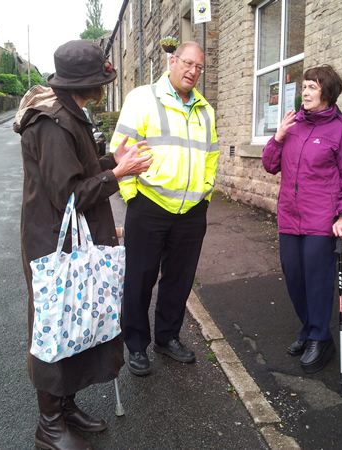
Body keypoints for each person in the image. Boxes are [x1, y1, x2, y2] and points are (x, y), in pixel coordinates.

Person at [14, 40, 152, 449]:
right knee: (55, 327)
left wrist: (112, 160)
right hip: (53, 246)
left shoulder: (71, 115)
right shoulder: (51, 124)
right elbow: (69, 195)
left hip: (70, 241)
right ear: (84, 83)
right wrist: (120, 174)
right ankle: (49, 425)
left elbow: (81, 169)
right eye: (101, 80)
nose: (105, 87)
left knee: (75, 322)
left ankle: (66, 407)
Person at [110, 41, 219, 376]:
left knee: (179, 279)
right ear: (172, 62)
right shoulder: (142, 98)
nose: (193, 72)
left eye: (199, 67)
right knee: (139, 279)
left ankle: (167, 337)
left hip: (191, 212)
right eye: (188, 64)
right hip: (149, 205)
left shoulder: (205, 111)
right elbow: (121, 150)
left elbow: (211, 157)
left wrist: (205, 196)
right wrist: (131, 197)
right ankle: (137, 345)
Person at [262, 65, 342, 374]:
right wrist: (278, 137)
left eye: (312, 87)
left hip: (322, 220)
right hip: (289, 218)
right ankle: (308, 330)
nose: (304, 92)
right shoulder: (293, 125)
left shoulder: (341, 129)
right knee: (294, 279)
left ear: (327, 92)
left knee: (317, 282)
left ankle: (321, 337)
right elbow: (270, 165)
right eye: (304, 86)